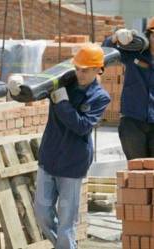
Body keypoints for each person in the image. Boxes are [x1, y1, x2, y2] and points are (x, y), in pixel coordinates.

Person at [30, 44, 109, 249]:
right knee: (41, 213)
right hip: (49, 158)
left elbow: (82, 126)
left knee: (66, 223)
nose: (80, 74)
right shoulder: (63, 84)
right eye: (78, 69)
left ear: (97, 69)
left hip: (72, 165)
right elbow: (37, 88)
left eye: (85, 70)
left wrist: (63, 103)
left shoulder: (99, 97)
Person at [102, 18, 154, 160]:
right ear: (149, 35)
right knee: (136, 171)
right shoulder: (134, 53)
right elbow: (105, 53)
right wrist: (114, 37)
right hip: (132, 122)